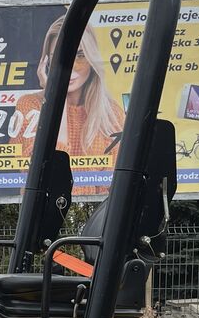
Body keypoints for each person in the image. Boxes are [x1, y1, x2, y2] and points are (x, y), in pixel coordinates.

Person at [13, 15, 124, 194]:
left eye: (79, 55)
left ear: (91, 58)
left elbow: (108, 192)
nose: (69, 67)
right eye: (59, 57)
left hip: (92, 218)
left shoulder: (112, 115)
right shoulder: (29, 105)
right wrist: (57, 99)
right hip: (41, 217)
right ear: (47, 63)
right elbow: (41, 179)